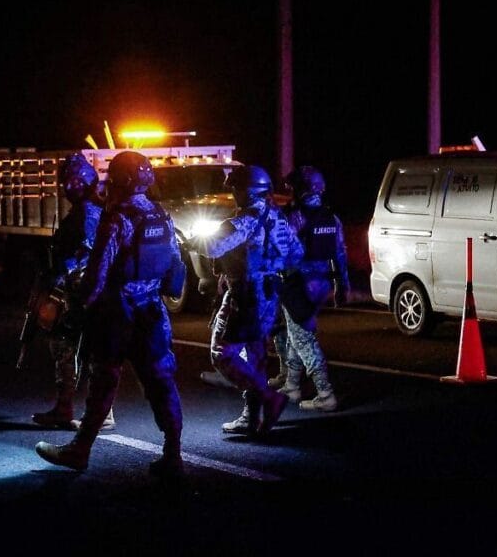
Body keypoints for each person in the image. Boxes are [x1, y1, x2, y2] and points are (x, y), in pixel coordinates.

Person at [34, 151, 186, 479]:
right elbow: (175, 266)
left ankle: (80, 450)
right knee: (162, 383)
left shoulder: (117, 219)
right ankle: (173, 453)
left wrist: (78, 308)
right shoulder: (161, 215)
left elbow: (97, 276)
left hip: (118, 313)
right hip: (153, 313)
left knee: (103, 381)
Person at [188, 165, 303, 436]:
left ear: (248, 192)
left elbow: (213, 246)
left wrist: (190, 241)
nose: (233, 194)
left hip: (245, 293)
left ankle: (268, 397)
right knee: (256, 354)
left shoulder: (246, 220)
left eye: (236, 189)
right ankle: (251, 416)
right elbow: (296, 253)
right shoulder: (278, 218)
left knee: (222, 353)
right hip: (269, 292)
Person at [31, 152, 115, 431]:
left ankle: (91, 411)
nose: (68, 187)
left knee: (74, 347)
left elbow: (89, 252)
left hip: (83, 291)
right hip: (81, 289)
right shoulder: (84, 211)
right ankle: (70, 408)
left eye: (71, 182)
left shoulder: (89, 213)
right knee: (78, 349)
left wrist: (62, 272)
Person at [270, 166, 348, 412]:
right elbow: (340, 253)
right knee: (297, 332)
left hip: (298, 284)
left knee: (304, 340)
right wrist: (342, 285)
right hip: (321, 284)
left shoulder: (294, 217)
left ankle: (325, 394)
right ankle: (292, 386)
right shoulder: (331, 218)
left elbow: (281, 250)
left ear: (300, 189)